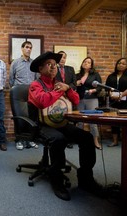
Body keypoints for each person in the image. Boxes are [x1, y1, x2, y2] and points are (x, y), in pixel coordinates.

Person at [28, 51, 103, 201]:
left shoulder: (60, 84)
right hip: (42, 125)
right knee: (58, 140)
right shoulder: (35, 85)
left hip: (61, 122)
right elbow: (43, 101)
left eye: (54, 65)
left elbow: (75, 100)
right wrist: (59, 91)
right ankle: (57, 181)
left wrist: (67, 89)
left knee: (87, 137)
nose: (53, 67)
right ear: (40, 69)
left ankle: (86, 179)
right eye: (49, 65)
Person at [9, 41, 39, 150]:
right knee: (19, 118)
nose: (29, 49)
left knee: (32, 117)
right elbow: (11, 80)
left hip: (31, 94)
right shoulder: (15, 63)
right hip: (18, 95)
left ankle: (30, 140)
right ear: (22, 49)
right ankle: (19, 140)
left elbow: (37, 79)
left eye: (30, 48)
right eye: (27, 47)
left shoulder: (34, 63)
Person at [76, 57, 102, 150]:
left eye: (88, 62)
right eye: (85, 61)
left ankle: (96, 141)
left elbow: (100, 87)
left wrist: (93, 90)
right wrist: (76, 83)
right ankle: (79, 140)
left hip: (92, 99)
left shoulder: (95, 74)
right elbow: (74, 86)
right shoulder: (77, 75)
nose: (86, 63)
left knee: (93, 121)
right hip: (80, 99)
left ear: (91, 65)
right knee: (79, 121)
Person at [56, 50, 77, 149]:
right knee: (60, 118)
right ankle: (61, 139)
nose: (62, 59)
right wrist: (61, 90)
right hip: (58, 99)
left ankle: (69, 140)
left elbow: (74, 83)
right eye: (60, 57)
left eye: (64, 57)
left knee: (69, 119)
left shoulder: (70, 69)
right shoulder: (53, 69)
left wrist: (67, 88)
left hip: (69, 97)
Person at [105, 57, 127, 147]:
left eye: (123, 64)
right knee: (114, 121)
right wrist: (111, 95)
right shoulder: (111, 76)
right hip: (114, 101)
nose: (120, 65)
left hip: (125, 101)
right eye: (119, 63)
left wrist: (121, 95)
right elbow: (107, 88)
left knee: (125, 121)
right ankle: (115, 141)